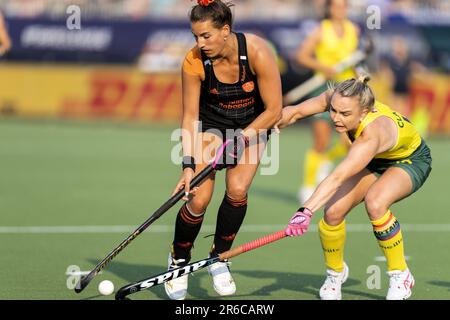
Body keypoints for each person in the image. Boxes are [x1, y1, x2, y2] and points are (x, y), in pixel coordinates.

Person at [275, 75, 432, 300]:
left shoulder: (371, 135)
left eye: (345, 114)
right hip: (374, 159)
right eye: (333, 111)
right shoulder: (336, 98)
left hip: (410, 159)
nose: (336, 119)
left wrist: (305, 210)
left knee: (376, 202)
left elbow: (338, 177)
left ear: (364, 112)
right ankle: (335, 273)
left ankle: (400, 274)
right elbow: (295, 112)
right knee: (332, 212)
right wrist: (262, 127)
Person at [165, 0, 282, 300]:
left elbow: (274, 110)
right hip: (211, 126)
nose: (199, 44)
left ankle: (219, 257)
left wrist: (242, 138)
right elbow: (190, 116)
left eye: (205, 36)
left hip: (253, 124)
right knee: (199, 197)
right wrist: (188, 166)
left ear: (225, 30)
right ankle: (179, 260)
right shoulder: (193, 62)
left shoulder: (257, 51)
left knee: (238, 189)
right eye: (195, 37)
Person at [295, 0, 360, 203]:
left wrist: (362, 77)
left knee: (350, 143)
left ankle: (327, 161)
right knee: (321, 141)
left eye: (343, 6)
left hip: (348, 90)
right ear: (329, 9)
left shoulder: (353, 30)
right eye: (336, 6)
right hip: (325, 88)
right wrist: (324, 67)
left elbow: (356, 60)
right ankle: (307, 186)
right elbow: (302, 56)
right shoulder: (320, 30)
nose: (340, 10)